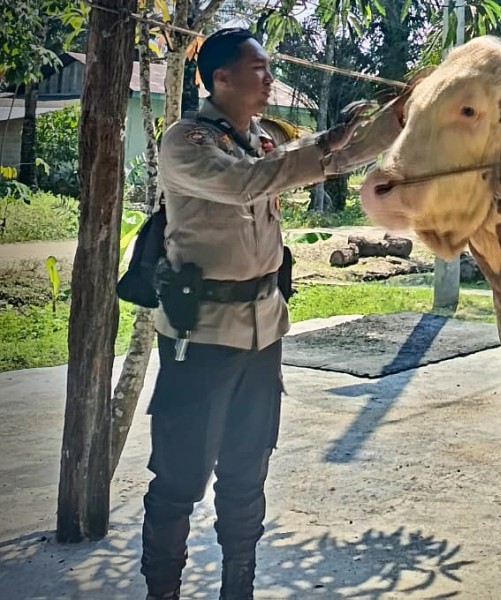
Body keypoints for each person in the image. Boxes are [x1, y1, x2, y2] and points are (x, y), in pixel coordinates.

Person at [141, 27, 407, 600]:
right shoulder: (186, 142)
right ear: (221, 79)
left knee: (246, 473)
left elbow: (334, 156)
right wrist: (319, 149)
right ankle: (161, 589)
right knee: (179, 480)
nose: (269, 80)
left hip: (263, 334)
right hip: (202, 336)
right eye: (259, 70)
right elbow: (248, 185)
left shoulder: (260, 138)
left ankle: (239, 584)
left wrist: (401, 115)